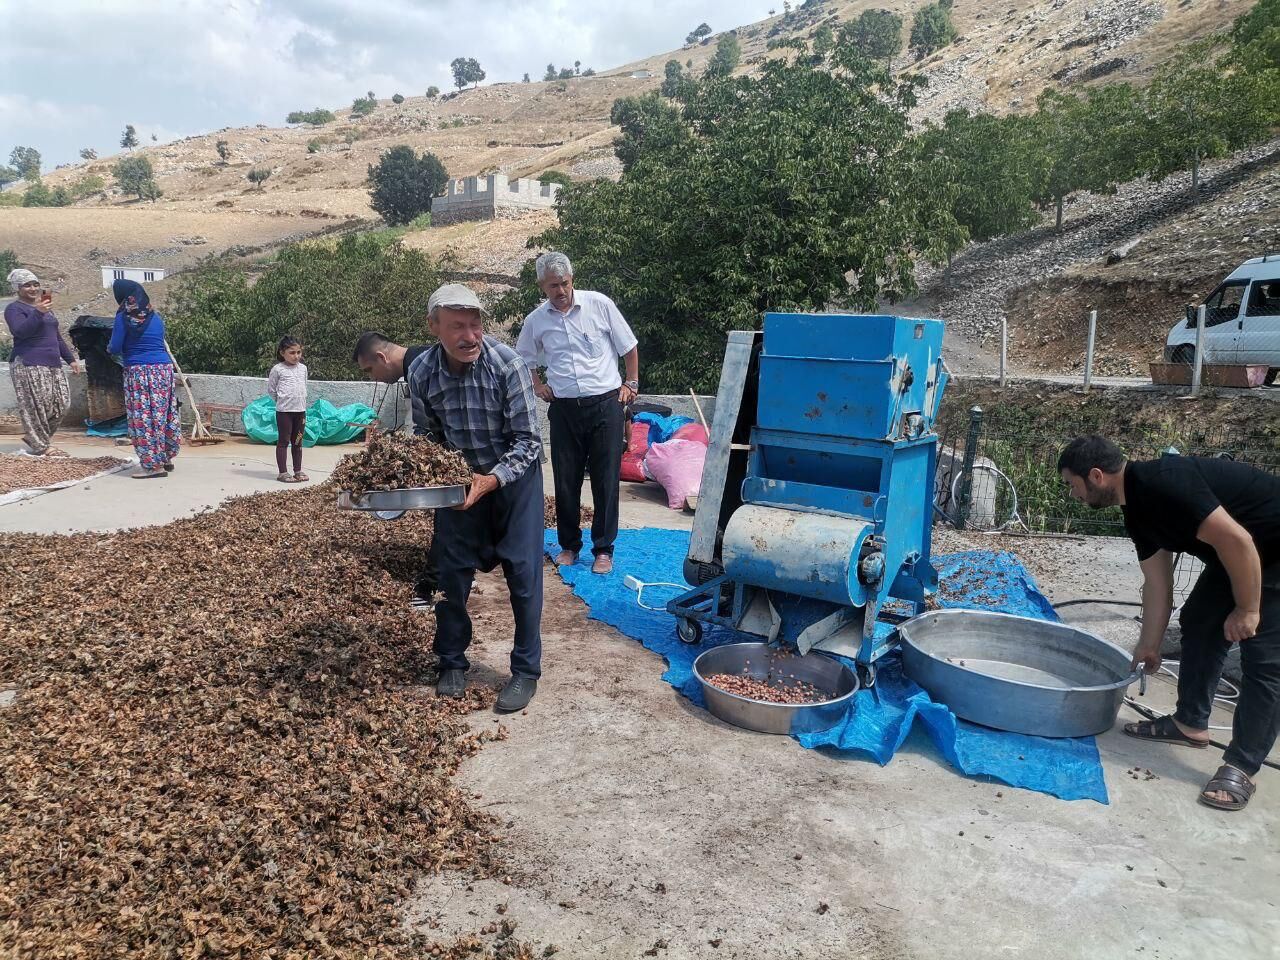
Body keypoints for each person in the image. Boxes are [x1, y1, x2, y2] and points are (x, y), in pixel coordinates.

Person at [1059, 435, 1280, 812]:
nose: (1072, 493)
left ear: (1095, 476)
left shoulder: (1165, 482)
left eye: (1071, 484)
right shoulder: (1137, 510)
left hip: (1271, 548)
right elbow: (1158, 584)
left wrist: (1248, 608)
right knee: (1199, 620)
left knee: (1264, 658)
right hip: (1239, 554)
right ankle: (1190, 723)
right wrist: (1150, 644)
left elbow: (1238, 539)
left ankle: (1242, 765)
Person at [408, 284, 544, 712]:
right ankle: (451, 661)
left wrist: (490, 480)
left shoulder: (507, 365)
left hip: (513, 479)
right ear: (434, 328)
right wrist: (421, 470)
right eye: (457, 327)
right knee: (451, 575)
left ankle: (525, 671)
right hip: (459, 480)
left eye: (475, 325)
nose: (470, 336)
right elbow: (426, 436)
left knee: (523, 575)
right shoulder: (423, 373)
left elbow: (528, 441)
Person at [516, 252, 639, 576]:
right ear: (542, 286)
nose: (561, 291)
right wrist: (538, 385)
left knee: (606, 479)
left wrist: (632, 383)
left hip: (605, 405)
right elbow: (523, 359)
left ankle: (603, 549)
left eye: (565, 283)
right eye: (553, 286)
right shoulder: (536, 321)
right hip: (565, 409)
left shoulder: (599, 304)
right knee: (566, 480)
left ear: (573, 280)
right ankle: (569, 546)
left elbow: (628, 346)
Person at [353, 331, 436, 609]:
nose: (373, 377)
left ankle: (431, 586)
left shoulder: (421, 366)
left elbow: (430, 426)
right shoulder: (419, 359)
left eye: (369, 370)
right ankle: (459, 570)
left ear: (381, 357)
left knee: (452, 522)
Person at [108, 279, 180, 479]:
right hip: (164, 370)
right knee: (163, 414)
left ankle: (152, 466)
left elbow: (114, 347)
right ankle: (166, 457)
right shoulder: (155, 316)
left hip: (139, 372)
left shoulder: (124, 318)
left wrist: (114, 350)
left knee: (144, 417)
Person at [4, 269, 80, 457]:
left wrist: (70, 360)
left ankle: (36, 438)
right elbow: (20, 332)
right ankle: (42, 446)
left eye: (35, 284)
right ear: (18, 288)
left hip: (52, 363)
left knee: (62, 404)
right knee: (36, 406)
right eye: (27, 285)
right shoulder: (14, 309)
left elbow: (56, 337)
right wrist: (37, 313)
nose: (33, 288)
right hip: (29, 363)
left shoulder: (46, 310)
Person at [267, 335, 309, 483]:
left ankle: (297, 470)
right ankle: (283, 472)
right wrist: (283, 401)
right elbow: (272, 390)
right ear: (282, 353)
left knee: (298, 441)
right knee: (284, 441)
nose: (296, 356)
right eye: (292, 353)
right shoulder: (278, 369)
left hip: (300, 412)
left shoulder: (303, 369)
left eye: (298, 352)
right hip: (284, 412)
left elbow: (304, 385)